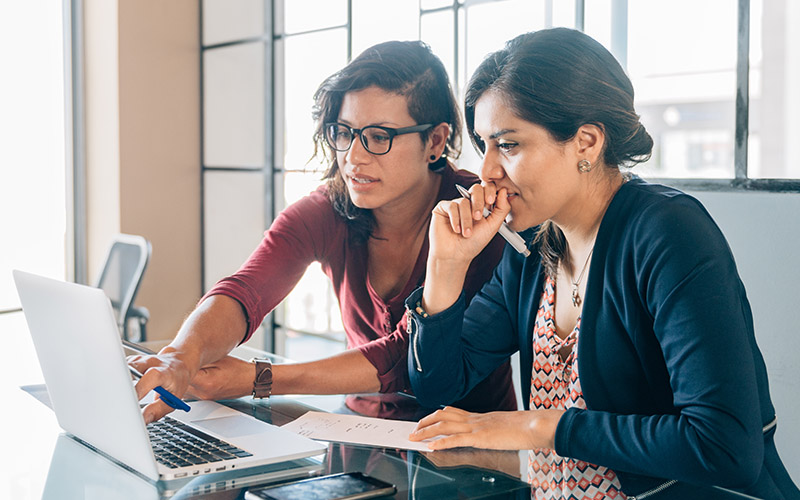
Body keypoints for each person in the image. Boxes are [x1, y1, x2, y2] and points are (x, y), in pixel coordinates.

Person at [406, 28, 799, 500]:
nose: (487, 170)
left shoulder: (668, 232)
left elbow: (723, 447)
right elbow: (438, 384)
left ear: (587, 143)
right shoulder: (535, 247)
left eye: (508, 145)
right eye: (483, 145)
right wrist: (446, 267)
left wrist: (540, 426)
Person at [129, 40, 516, 426]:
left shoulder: (480, 218)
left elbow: (403, 358)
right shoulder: (331, 207)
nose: (353, 157)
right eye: (344, 132)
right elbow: (246, 289)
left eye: (379, 137)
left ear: (434, 141)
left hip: (469, 445)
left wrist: (258, 378)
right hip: (357, 426)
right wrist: (181, 356)